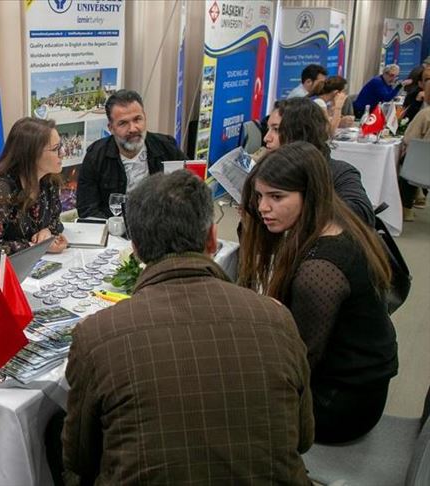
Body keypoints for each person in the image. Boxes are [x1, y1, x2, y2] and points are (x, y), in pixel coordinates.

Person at [62, 170, 313, 484]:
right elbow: (302, 439)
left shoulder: (96, 337)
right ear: (211, 238)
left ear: (136, 249)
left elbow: (80, 459)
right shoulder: (277, 319)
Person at [238, 141, 397, 444]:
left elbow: (300, 361)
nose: (262, 208)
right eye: (259, 196)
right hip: (361, 385)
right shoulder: (337, 223)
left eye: (276, 197)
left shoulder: (320, 269)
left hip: (341, 405)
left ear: (309, 195)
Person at [262, 97, 375, 226]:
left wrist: (298, 204)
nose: (266, 138)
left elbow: (362, 216)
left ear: (300, 133)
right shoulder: (268, 172)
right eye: (268, 129)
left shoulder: (339, 172)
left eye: (276, 129)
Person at [0, 117, 68, 261]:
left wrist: (47, 232)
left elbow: (55, 221)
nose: (63, 152)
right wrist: (33, 246)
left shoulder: (49, 180)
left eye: (61, 146)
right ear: (32, 154)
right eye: (55, 149)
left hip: (29, 264)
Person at [76, 89, 186, 218]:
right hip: (114, 232)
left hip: (160, 228)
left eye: (137, 119)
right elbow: (87, 210)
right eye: (123, 123)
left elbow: (189, 192)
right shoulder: (95, 156)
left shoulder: (167, 147)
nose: (133, 129)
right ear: (111, 128)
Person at [400, 66, 430, 222]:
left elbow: (409, 138)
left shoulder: (425, 114)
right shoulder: (415, 101)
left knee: (404, 159)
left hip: (420, 164)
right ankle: (419, 194)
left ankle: (406, 206)